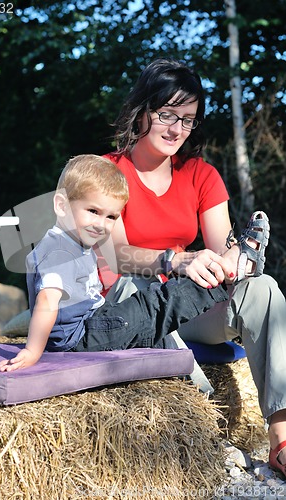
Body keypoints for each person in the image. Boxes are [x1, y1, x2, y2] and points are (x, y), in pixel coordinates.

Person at [101, 58, 286, 477]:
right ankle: (202, 428)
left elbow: (221, 249)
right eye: (166, 114)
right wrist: (175, 259)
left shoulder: (201, 175)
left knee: (262, 288)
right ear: (142, 110)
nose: (176, 130)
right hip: (129, 305)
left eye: (187, 120)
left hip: (185, 310)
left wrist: (236, 258)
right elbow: (112, 255)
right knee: (132, 282)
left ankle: (281, 440)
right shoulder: (108, 171)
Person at [0, 154, 229, 373]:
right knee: (152, 307)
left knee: (146, 315)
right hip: (79, 339)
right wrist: (32, 351)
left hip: (92, 322)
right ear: (62, 205)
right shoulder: (59, 252)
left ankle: (176, 372)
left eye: (111, 217)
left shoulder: (73, 241)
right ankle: (216, 279)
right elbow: (47, 299)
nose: (101, 224)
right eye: (93, 211)